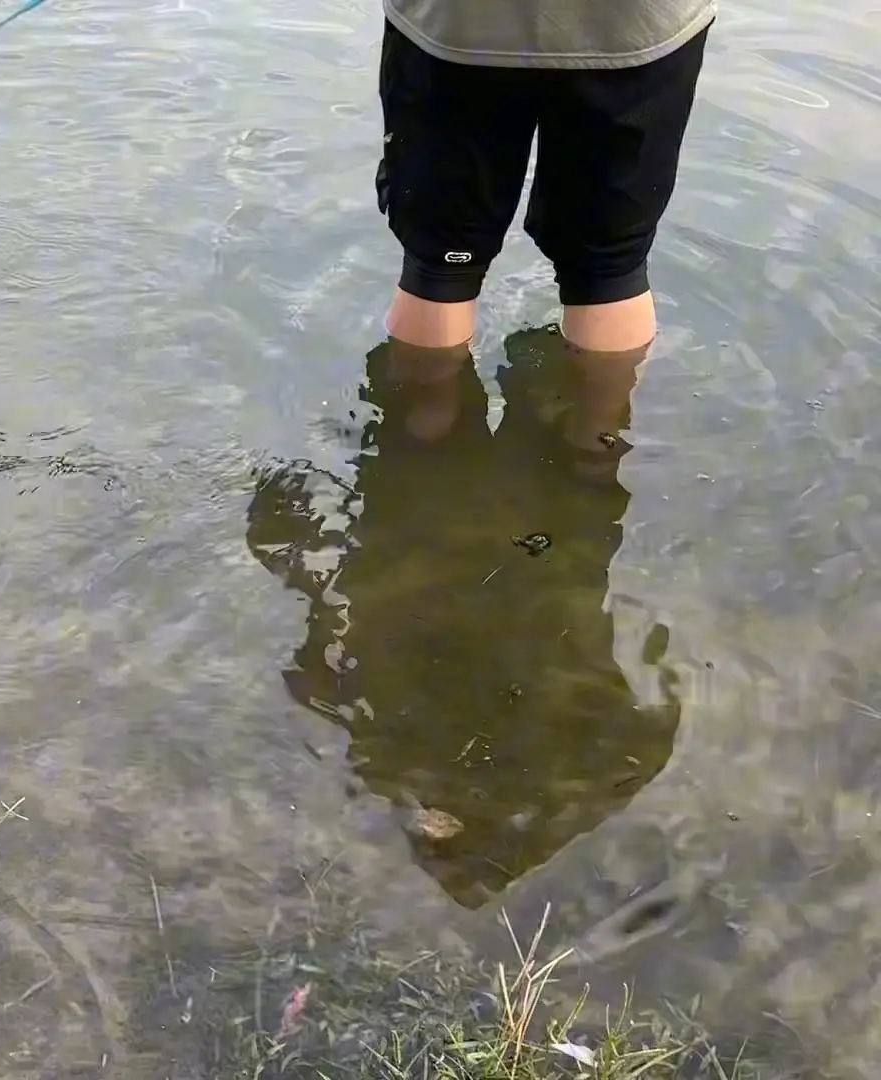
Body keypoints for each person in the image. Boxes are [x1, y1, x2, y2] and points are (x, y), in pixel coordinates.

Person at [246, 330, 683, 907]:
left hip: (498, 579)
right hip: (499, 582)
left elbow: (313, 672)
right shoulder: (398, 763)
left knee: (443, 414)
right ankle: (544, 389)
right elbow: (314, 674)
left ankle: (521, 389)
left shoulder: (402, 762)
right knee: (561, 442)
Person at [373, 0, 716, 463]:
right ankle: (592, 454)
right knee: (609, 267)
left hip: (458, 23)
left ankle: (427, 445)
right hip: (634, 25)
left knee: (441, 265)